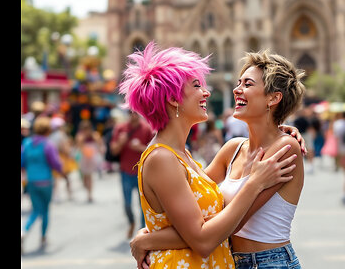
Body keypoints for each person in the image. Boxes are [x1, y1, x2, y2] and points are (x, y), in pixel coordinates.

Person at [118, 42, 300, 269]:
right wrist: (151, 233)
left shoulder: (284, 148)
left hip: (267, 262)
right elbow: (205, 226)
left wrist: (150, 238)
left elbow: (215, 218)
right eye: (197, 85)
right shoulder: (228, 150)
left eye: (248, 83)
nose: (207, 91)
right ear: (173, 99)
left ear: (273, 98)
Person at [21, 116, 68, 252]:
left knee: (35, 210)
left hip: (31, 181)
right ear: (48, 130)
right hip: (46, 181)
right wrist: (63, 174)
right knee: (45, 210)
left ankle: (24, 231)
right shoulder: (48, 144)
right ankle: (43, 237)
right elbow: (55, 163)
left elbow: (22, 162)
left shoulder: (27, 143)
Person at [110, 109, 155, 239]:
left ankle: (142, 231)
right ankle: (131, 222)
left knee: (143, 206)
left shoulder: (147, 128)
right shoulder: (121, 128)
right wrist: (121, 142)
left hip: (142, 173)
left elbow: (154, 150)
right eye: (130, 113)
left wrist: (140, 147)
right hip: (126, 171)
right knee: (127, 204)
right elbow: (113, 151)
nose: (133, 115)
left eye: (135, 112)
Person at [75, 119, 105, 203]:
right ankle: (86, 188)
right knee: (85, 176)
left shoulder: (95, 135)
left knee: (90, 176)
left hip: (92, 157)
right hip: (84, 158)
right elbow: (78, 145)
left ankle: (89, 194)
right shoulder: (80, 136)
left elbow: (99, 144)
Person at [48, 116, 75, 202]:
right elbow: (64, 147)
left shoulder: (50, 135)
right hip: (62, 157)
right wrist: (69, 154)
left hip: (54, 156)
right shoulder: (61, 135)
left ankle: (55, 195)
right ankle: (69, 194)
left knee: (56, 178)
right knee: (66, 177)